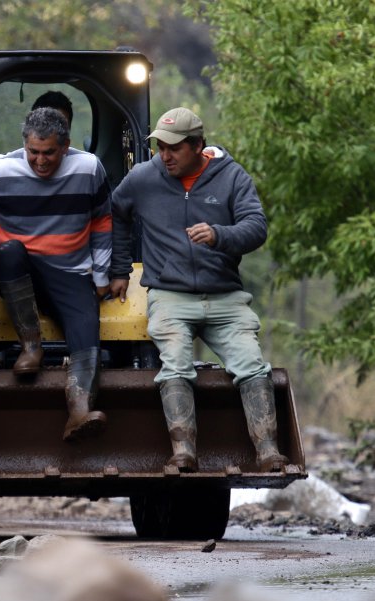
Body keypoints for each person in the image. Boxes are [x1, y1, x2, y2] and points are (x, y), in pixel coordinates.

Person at [109, 107, 288, 473]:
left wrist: (220, 235)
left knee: (252, 365)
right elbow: (116, 213)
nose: (165, 155)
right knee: (175, 364)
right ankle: (183, 452)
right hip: (170, 295)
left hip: (224, 295)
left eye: (173, 148)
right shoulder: (143, 178)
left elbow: (257, 227)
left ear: (197, 145)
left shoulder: (231, 177)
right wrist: (119, 268)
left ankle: (268, 452)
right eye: (160, 146)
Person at [0, 107, 112, 442]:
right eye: (33, 152)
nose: (40, 160)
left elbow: (103, 221)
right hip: (15, 270)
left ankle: (79, 409)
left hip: (70, 269)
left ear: (65, 146)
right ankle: (31, 346)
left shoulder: (90, 168)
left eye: (49, 152)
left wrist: (102, 276)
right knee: (10, 251)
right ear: (24, 145)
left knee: (85, 324)